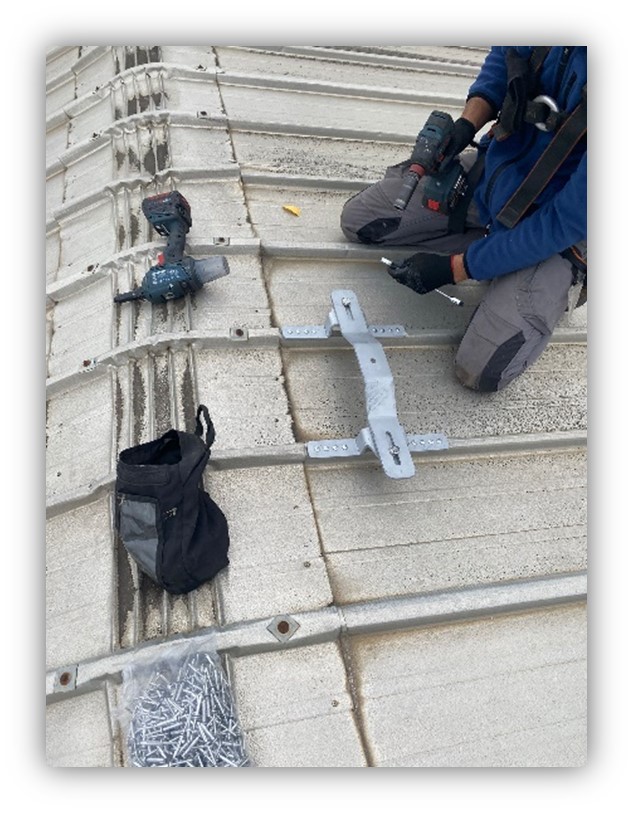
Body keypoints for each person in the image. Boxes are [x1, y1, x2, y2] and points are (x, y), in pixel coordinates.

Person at [340, 46, 587, 392]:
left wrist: (454, 268)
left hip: (555, 227)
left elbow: (566, 220)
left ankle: (548, 275)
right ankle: (495, 248)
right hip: (497, 177)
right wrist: (467, 122)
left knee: (480, 370)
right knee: (361, 220)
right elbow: (505, 59)